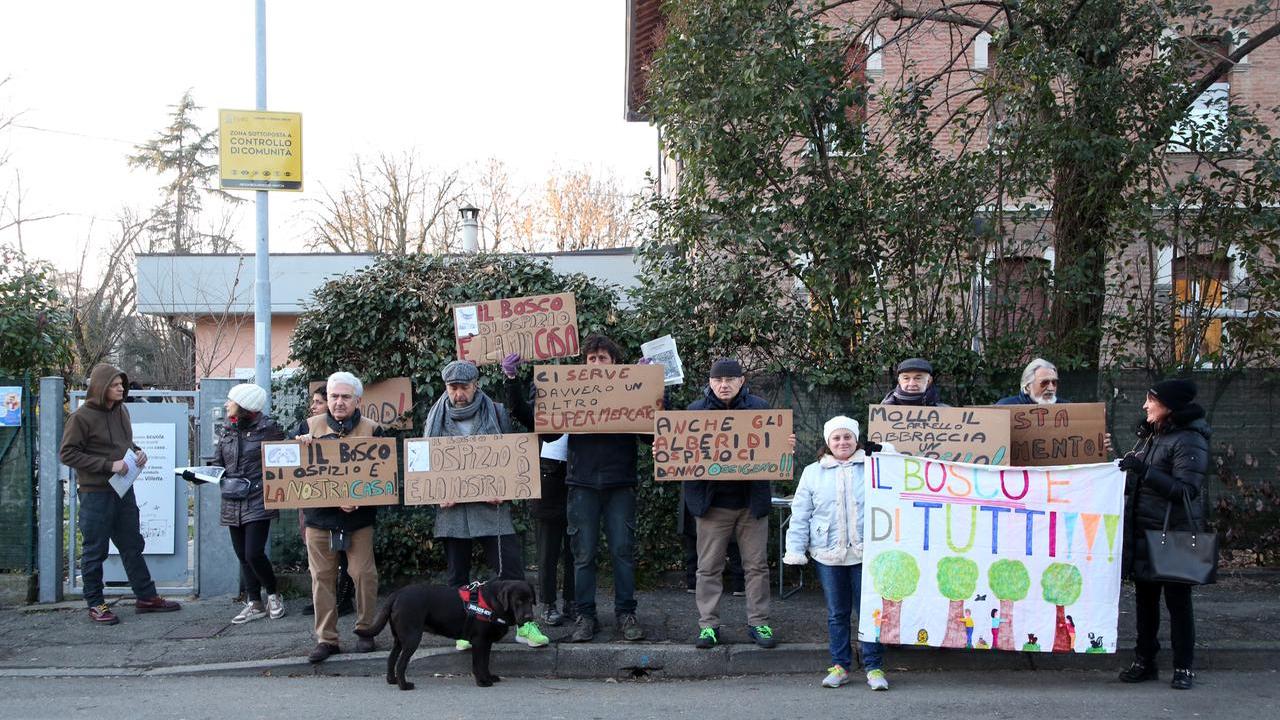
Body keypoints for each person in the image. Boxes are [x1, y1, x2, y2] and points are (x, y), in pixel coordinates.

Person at [506, 334, 648, 642]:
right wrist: (517, 383)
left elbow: (650, 437)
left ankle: (626, 614)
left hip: (620, 484)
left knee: (622, 552)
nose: (597, 363)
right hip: (582, 485)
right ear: (584, 364)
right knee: (583, 555)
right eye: (591, 359)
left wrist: (652, 391)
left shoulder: (631, 390)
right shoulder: (573, 392)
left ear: (615, 363)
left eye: (603, 358)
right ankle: (586, 616)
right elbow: (547, 433)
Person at [427, 359, 548, 650]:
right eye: (453, 388)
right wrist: (435, 492)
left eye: (464, 387)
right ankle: (462, 629)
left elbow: (509, 454)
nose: (458, 394)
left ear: (475, 385)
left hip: (492, 507)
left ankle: (524, 626)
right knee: (457, 575)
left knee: (511, 568)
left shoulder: (496, 411)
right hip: (453, 510)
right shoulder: (434, 416)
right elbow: (426, 461)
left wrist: (504, 488)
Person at [59, 364, 181, 624]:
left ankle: (146, 597)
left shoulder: (121, 411)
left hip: (123, 490)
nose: (121, 389)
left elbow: (124, 443)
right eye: (115, 386)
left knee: (132, 544)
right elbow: (68, 454)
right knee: (95, 550)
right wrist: (108, 465)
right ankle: (96, 603)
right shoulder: (80, 417)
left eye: (122, 385)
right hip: (95, 494)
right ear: (101, 388)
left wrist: (137, 451)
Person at [685, 358, 787, 650]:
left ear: (742, 381)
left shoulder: (760, 409)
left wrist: (785, 445)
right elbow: (683, 452)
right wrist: (668, 450)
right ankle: (708, 626)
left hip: (750, 503)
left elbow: (774, 448)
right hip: (712, 504)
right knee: (708, 568)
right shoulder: (695, 412)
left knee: (757, 567)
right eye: (718, 380)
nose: (724, 385)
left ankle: (759, 623)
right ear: (710, 382)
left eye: (730, 379)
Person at [1117, 378, 1210, 691]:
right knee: (1145, 601)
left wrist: (1144, 471)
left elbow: (1186, 489)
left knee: (1178, 602)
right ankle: (1144, 660)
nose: (1145, 405)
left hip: (1174, 533)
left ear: (1169, 406)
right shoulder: (1153, 436)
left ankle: (1184, 666)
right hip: (1145, 529)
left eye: (1151, 400)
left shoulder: (1190, 440)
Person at [784, 416, 890, 690]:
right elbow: (801, 513)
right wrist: (795, 550)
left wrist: (885, 450)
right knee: (837, 613)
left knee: (870, 612)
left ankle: (874, 667)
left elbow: (899, 470)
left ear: (856, 439)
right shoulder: (812, 472)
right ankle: (841, 666)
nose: (842, 442)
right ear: (828, 442)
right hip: (827, 554)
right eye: (836, 438)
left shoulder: (874, 466)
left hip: (866, 553)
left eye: (847, 437)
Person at [300, 371, 383, 663]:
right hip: (319, 519)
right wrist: (297, 446)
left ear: (357, 400)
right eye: (333, 396)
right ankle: (327, 639)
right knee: (321, 578)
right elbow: (293, 473)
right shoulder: (308, 427)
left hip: (358, 520)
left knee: (363, 574)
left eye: (345, 397)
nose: (338, 402)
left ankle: (365, 630)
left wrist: (359, 500)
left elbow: (384, 476)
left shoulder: (373, 429)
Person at [503, 355, 575, 628]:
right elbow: (520, 410)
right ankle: (548, 604)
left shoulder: (583, 410)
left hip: (578, 481)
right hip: (547, 483)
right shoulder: (537, 410)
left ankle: (572, 601)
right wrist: (512, 379)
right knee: (547, 551)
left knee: (575, 550)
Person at [208, 383, 287, 624]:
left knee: (254, 553)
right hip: (232, 499)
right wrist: (202, 474)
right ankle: (254, 602)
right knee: (242, 554)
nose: (226, 404)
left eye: (230, 400)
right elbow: (218, 462)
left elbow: (285, 457)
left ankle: (273, 594)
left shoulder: (268, 429)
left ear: (243, 405)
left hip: (259, 497)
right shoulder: (227, 429)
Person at [293, 386, 354, 618]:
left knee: (347, 558)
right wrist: (300, 442)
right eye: (315, 402)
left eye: (319, 402)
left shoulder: (352, 429)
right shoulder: (306, 428)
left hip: (346, 513)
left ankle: (343, 599)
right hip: (316, 511)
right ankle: (325, 605)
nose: (314, 407)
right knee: (320, 564)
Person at [996, 358, 1067, 405]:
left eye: (1054, 382)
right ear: (1027, 387)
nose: (1051, 388)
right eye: (1045, 383)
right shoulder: (1006, 407)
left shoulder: (1066, 408)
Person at [881, 358, 947, 406]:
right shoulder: (884, 409)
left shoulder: (944, 412)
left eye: (918, 378)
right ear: (899, 381)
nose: (911, 384)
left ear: (929, 381)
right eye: (906, 378)